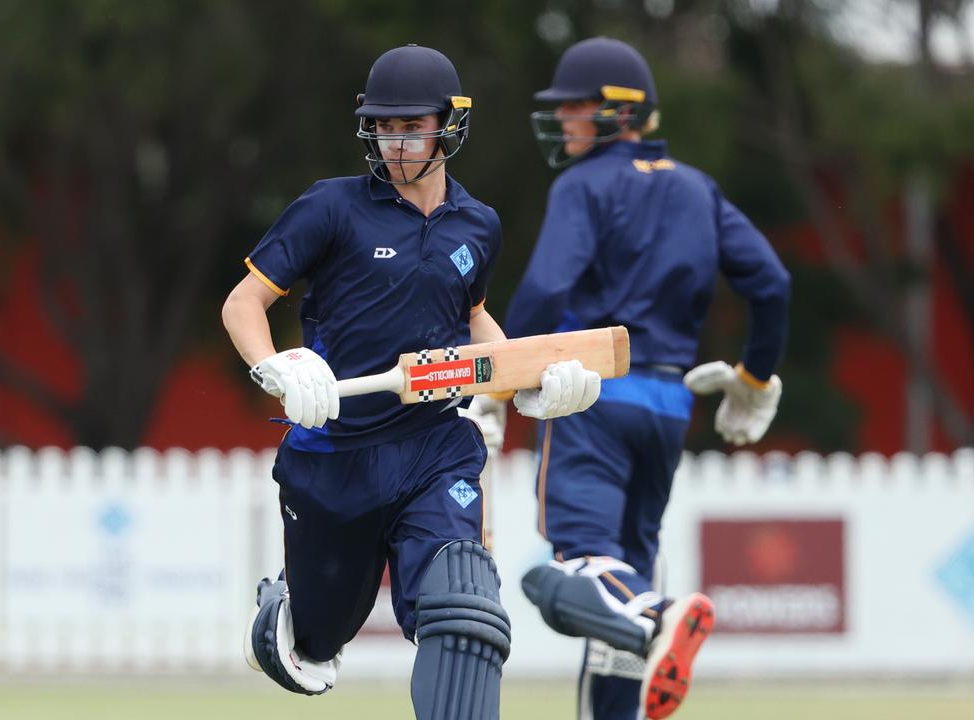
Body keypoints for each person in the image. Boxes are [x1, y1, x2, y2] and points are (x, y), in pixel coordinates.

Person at [220, 44, 602, 720]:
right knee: (314, 644)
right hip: (332, 456)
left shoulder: (477, 225)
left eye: (410, 127)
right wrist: (276, 367)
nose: (395, 143)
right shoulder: (330, 209)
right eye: (384, 128)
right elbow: (243, 302)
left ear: (449, 124)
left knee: (463, 607)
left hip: (434, 445)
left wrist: (530, 381)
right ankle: (284, 614)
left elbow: (475, 319)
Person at [465, 36, 791, 720]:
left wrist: (496, 381)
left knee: (571, 574)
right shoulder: (697, 187)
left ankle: (665, 615)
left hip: (593, 392)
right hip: (669, 407)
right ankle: (638, 645)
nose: (564, 122)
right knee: (617, 589)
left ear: (617, 112)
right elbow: (771, 282)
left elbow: (546, 291)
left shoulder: (584, 184)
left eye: (576, 108)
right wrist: (754, 377)